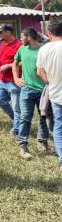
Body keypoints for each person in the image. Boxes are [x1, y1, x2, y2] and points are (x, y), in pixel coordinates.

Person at [13, 28, 48, 159]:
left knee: (43, 117)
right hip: (26, 90)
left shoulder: (43, 49)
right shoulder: (22, 49)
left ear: (29, 37)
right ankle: (23, 146)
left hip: (43, 91)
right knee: (25, 117)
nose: (21, 39)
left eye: (22, 37)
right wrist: (16, 78)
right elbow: (14, 63)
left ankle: (42, 142)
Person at [36, 18, 62, 171]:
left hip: (56, 95)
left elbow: (39, 72)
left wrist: (51, 83)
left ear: (49, 32)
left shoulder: (44, 49)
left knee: (58, 126)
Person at [0, 24, 22, 138]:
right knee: (1, 102)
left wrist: (8, 66)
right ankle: (18, 121)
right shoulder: (3, 43)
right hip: (2, 80)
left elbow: (22, 62)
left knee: (16, 107)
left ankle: (17, 130)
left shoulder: (19, 45)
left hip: (13, 81)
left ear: (8, 32)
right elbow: (1, 59)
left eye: (0, 32)